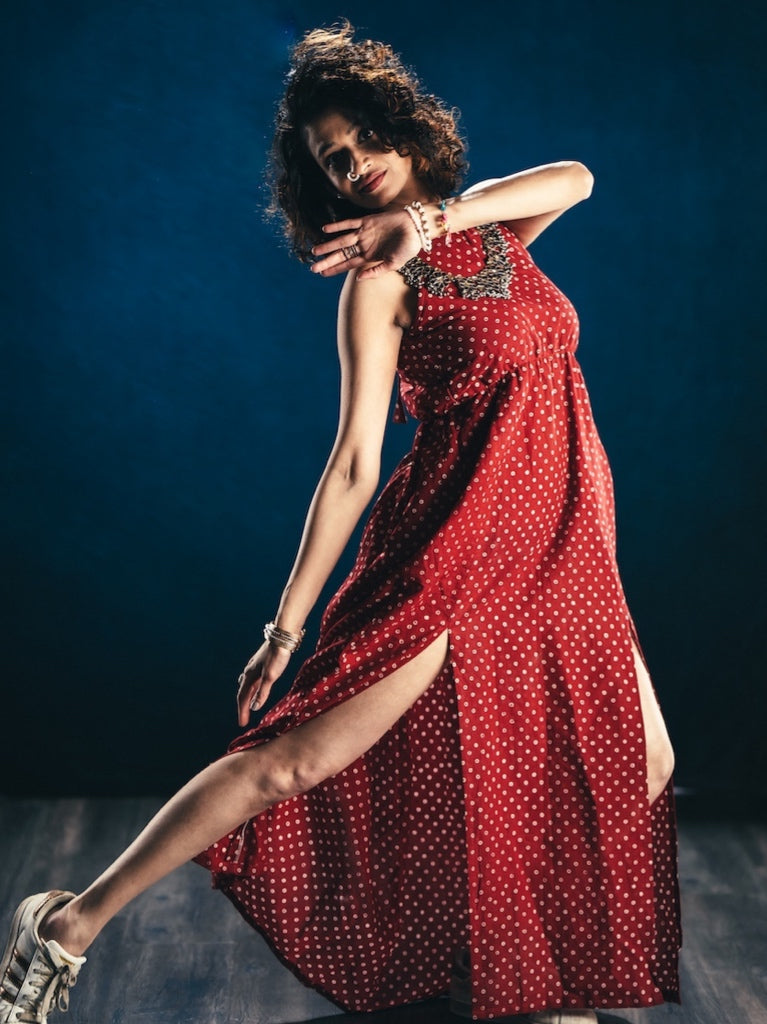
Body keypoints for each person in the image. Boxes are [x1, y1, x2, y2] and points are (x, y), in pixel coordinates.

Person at [0, 21, 682, 1024]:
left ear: (405, 131)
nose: (355, 162)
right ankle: (68, 924)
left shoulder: (489, 228)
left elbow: (576, 178)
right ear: (321, 187)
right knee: (294, 759)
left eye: (363, 138)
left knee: (645, 761)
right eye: (332, 160)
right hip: (451, 551)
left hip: (558, 555)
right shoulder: (376, 285)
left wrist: (430, 220)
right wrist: (284, 628)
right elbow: (356, 460)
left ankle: (505, 962)